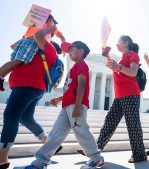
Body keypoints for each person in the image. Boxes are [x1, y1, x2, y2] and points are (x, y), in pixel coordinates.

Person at [15, 41, 104, 169]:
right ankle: (41, 162)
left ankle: (96, 158)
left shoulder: (81, 65)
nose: (69, 51)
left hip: (75, 106)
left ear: (81, 51)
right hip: (67, 106)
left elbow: (82, 84)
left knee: (81, 131)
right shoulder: (74, 67)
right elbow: (72, 88)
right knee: (55, 135)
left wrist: (78, 105)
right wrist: (60, 99)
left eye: (72, 49)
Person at [0, 24, 58, 169]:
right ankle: (49, 142)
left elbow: (38, 36)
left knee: (11, 116)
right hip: (30, 87)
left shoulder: (49, 49)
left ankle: (2, 158)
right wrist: (28, 32)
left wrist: (51, 29)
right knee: (26, 118)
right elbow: (14, 46)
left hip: (27, 86)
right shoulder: (32, 47)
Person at [94, 35, 147, 163]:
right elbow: (114, 66)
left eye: (119, 41)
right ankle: (94, 150)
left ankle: (139, 154)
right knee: (109, 122)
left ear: (126, 43)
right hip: (119, 96)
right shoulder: (122, 58)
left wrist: (119, 67)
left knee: (132, 124)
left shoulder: (132, 54)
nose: (117, 44)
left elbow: (133, 72)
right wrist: (107, 54)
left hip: (130, 94)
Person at [0, 14, 65, 91]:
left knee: (16, 62)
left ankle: (1, 77)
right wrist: (64, 44)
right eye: (53, 22)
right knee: (19, 61)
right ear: (50, 20)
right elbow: (61, 35)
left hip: (27, 40)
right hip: (33, 41)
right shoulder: (49, 26)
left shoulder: (36, 24)